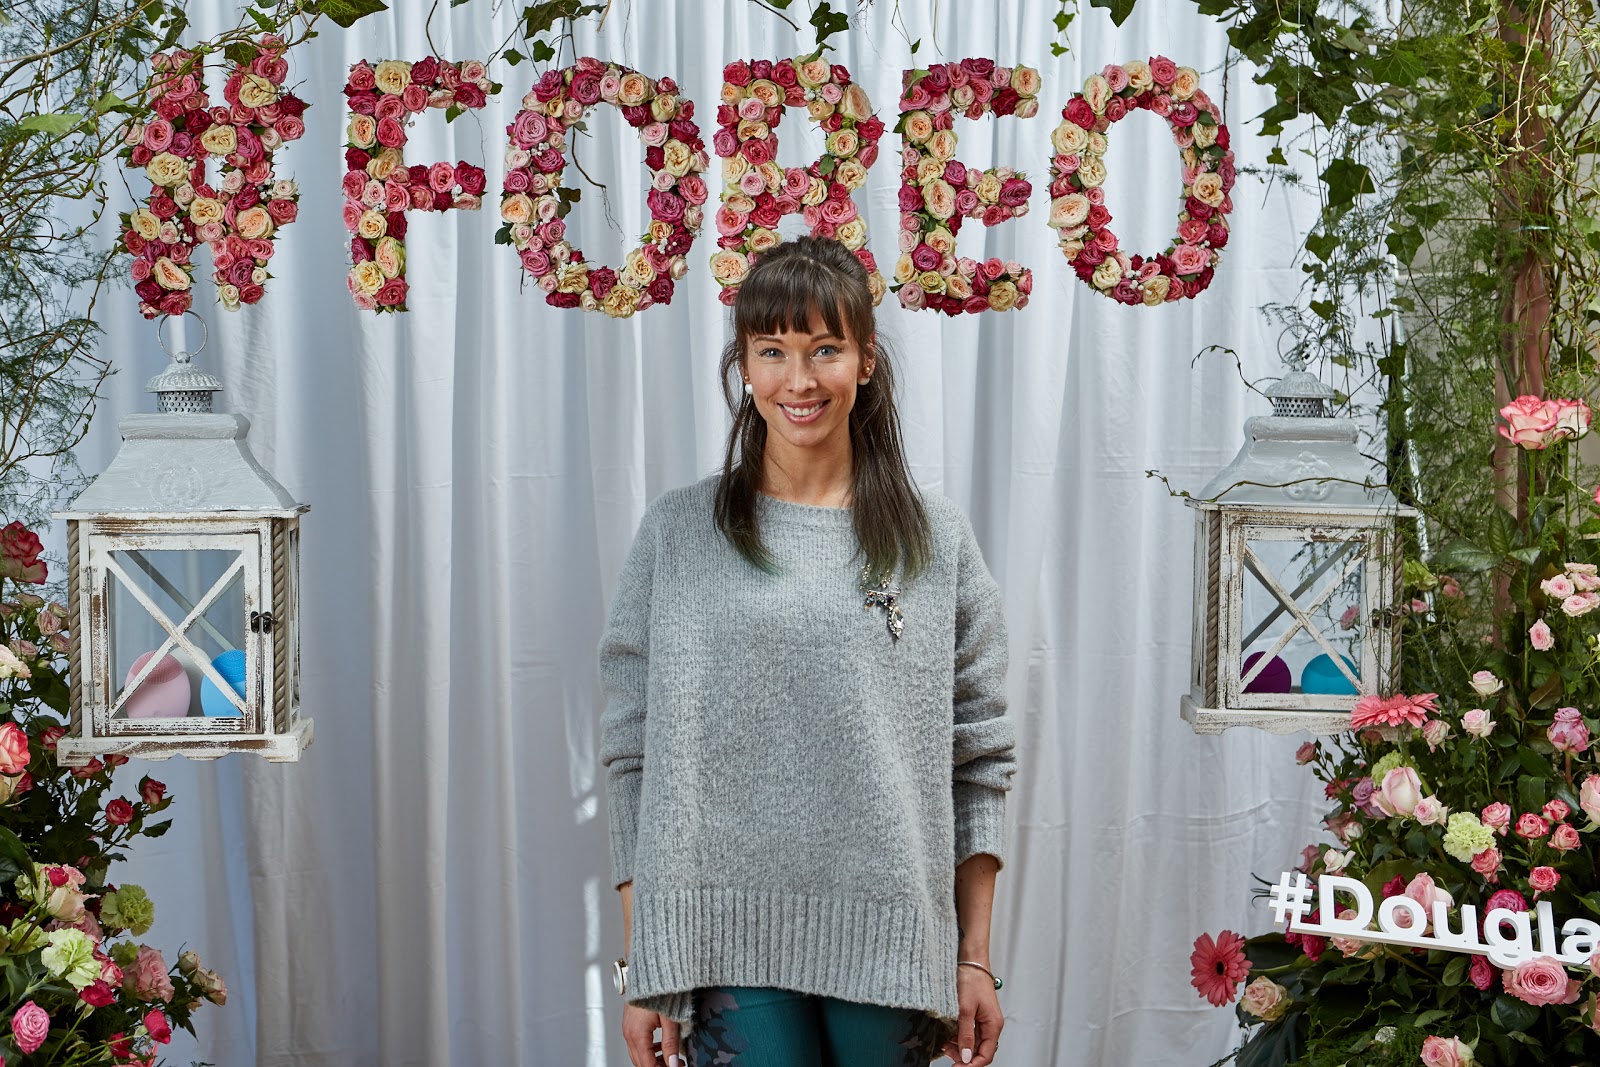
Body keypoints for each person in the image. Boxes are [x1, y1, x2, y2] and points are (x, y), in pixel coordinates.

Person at [599, 236, 1016, 1067]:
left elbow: (980, 756)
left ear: (866, 359)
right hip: (717, 937)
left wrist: (974, 957)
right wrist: (645, 963)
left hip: (893, 937)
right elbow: (629, 752)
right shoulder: (679, 533)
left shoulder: (934, 539)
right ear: (744, 365)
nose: (800, 380)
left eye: (826, 348)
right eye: (773, 351)